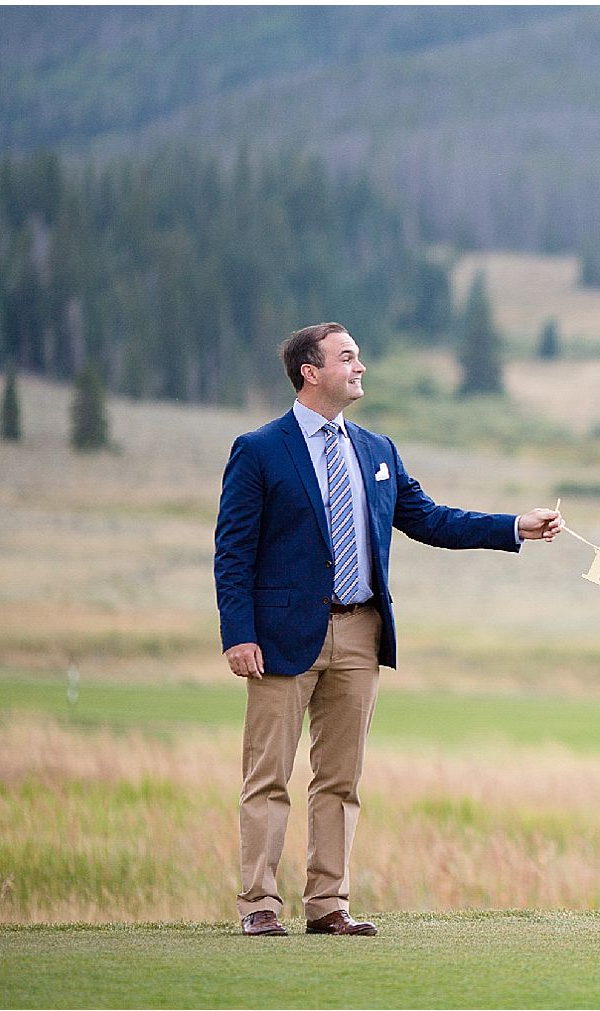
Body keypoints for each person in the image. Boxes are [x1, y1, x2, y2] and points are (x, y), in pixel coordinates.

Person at [215, 322, 563, 937]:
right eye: (347, 357)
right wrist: (238, 634)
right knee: (267, 776)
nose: (361, 367)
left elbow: (430, 519)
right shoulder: (260, 449)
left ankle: (328, 907)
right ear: (310, 372)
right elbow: (233, 551)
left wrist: (514, 526)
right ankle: (259, 907)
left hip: (361, 634)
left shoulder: (378, 451)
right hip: (278, 641)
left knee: (341, 780)